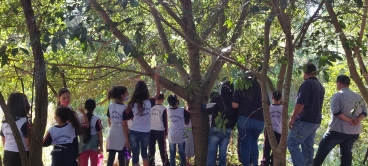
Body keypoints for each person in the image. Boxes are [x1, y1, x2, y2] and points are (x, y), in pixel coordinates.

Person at [313, 75, 366, 166]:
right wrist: (358, 120)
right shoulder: (359, 97)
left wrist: (349, 120)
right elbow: (365, 113)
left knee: (322, 150)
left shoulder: (338, 95)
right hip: (354, 132)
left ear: (339, 83)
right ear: (348, 84)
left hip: (337, 130)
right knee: (346, 154)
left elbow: (336, 112)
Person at [287, 63, 325, 166]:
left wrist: (292, 118)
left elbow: (301, 103)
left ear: (305, 72)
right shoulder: (320, 86)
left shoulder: (307, 84)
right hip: (315, 121)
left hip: (305, 120)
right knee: (308, 146)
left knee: (292, 143)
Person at [124, 74, 160, 166]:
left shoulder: (131, 104)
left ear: (136, 91)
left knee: (135, 155)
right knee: (144, 154)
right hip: (145, 132)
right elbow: (158, 94)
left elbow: (127, 117)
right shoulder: (150, 102)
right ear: (146, 91)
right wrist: (157, 80)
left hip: (134, 132)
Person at [232, 73, 264, 166]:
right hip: (259, 120)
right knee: (254, 142)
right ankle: (255, 164)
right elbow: (266, 105)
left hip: (244, 119)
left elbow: (235, 104)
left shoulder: (240, 86)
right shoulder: (260, 88)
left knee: (244, 145)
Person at [206, 81, 237, 166]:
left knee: (212, 151)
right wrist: (230, 126)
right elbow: (235, 117)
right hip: (227, 130)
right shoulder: (233, 102)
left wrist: (204, 105)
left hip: (216, 128)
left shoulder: (217, 98)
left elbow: (208, 110)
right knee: (223, 153)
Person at [0, 93, 30, 166]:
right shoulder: (25, 121)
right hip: (22, 155)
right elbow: (28, 143)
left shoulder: (5, 122)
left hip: (8, 154)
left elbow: (3, 140)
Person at [105, 86, 130, 166]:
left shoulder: (111, 105)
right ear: (122, 95)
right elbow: (124, 125)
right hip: (121, 133)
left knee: (111, 157)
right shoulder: (125, 108)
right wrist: (127, 139)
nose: (128, 94)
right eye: (126, 93)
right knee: (121, 157)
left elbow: (109, 120)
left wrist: (112, 127)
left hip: (112, 131)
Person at [167, 94, 191, 166]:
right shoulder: (182, 110)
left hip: (172, 136)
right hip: (181, 136)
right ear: (177, 101)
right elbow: (190, 115)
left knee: (172, 155)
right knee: (182, 154)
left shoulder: (168, 110)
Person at [78, 99, 103, 166]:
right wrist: (101, 146)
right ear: (94, 107)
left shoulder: (80, 118)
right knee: (94, 163)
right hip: (94, 143)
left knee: (83, 164)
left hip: (83, 142)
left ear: (85, 107)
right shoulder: (96, 119)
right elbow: (100, 134)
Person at [261, 91, 282, 166]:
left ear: (272, 98)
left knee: (267, 148)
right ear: (281, 98)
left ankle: (265, 162)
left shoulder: (269, 108)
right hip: (279, 131)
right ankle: (273, 163)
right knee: (276, 149)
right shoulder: (283, 108)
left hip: (269, 130)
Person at [148, 93, 169, 166]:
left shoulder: (151, 107)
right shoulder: (163, 108)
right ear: (163, 100)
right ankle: (165, 163)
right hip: (160, 130)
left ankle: (151, 163)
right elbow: (165, 122)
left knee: (151, 148)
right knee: (162, 149)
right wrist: (166, 133)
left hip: (150, 130)